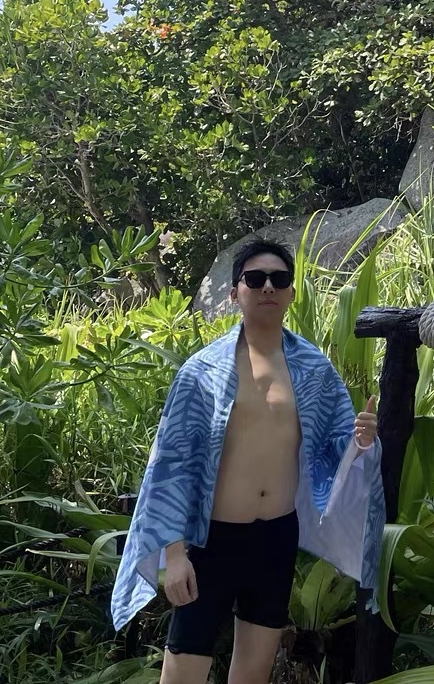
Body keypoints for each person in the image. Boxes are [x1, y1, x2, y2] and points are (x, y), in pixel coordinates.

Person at [111, 239, 385, 684]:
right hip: (212, 541)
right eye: (255, 279)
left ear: (291, 292)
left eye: (279, 279)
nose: (267, 287)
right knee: (182, 671)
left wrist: (363, 440)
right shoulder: (203, 372)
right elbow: (172, 464)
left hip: (275, 538)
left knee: (253, 674)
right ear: (235, 292)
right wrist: (174, 554)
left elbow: (335, 447)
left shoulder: (314, 370)